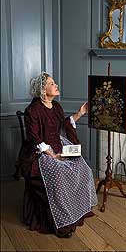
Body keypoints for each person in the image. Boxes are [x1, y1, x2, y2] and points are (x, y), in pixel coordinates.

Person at [18, 71, 98, 238]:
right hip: (40, 153)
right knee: (59, 174)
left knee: (83, 168)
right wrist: (53, 156)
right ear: (43, 89)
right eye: (52, 83)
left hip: (59, 146)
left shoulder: (57, 107)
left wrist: (80, 112)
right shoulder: (32, 110)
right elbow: (35, 138)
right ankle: (62, 222)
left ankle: (75, 210)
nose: (56, 85)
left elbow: (63, 126)